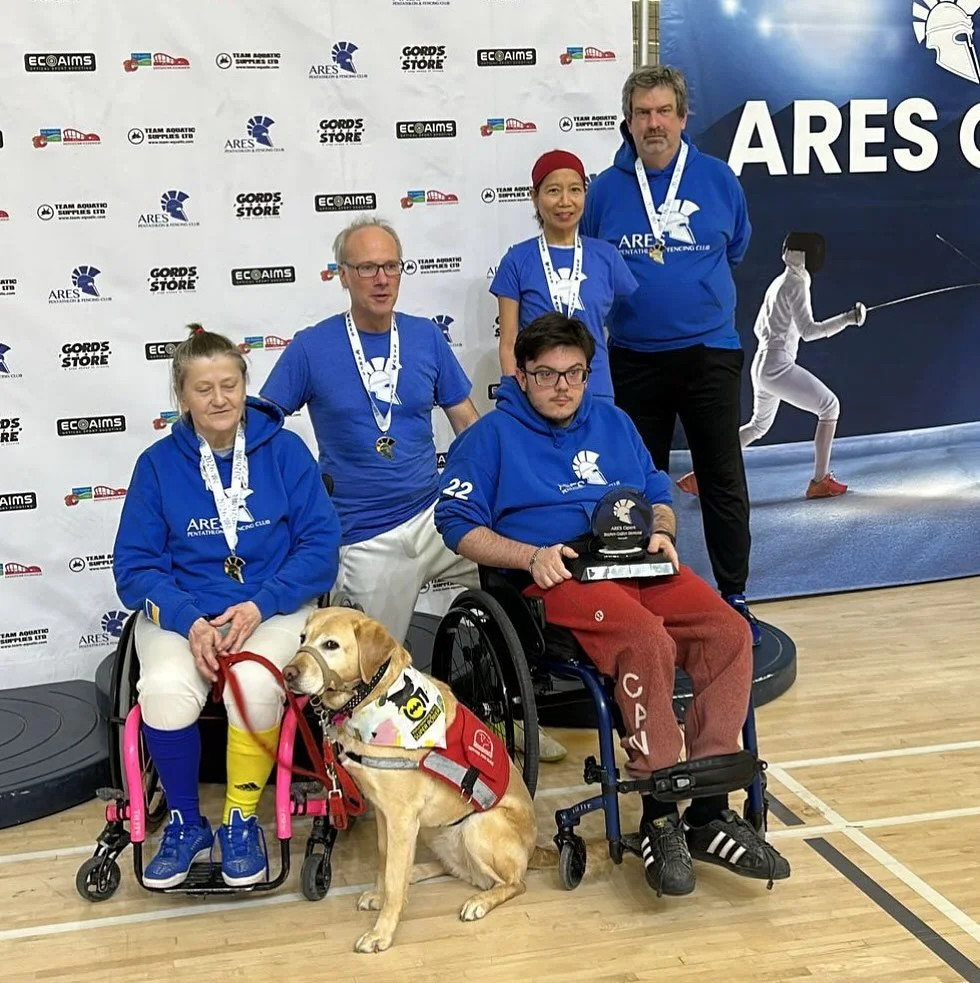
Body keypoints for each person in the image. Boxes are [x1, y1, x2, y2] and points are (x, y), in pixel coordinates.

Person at [434, 313, 789, 897]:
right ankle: (658, 813)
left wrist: (665, 531)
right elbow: (456, 524)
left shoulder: (614, 422)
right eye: (546, 374)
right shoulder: (490, 438)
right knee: (646, 638)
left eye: (574, 373)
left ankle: (707, 811)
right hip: (560, 575)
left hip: (636, 562)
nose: (562, 386)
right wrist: (528, 557)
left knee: (727, 631)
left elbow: (656, 493)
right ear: (521, 376)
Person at [113, 325, 341, 888]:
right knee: (163, 696)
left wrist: (260, 605)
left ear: (246, 387)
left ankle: (241, 820)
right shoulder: (156, 466)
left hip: (271, 608)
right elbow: (135, 567)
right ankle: (187, 824)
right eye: (203, 389)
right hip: (183, 615)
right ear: (182, 397)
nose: (219, 400)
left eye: (229, 385)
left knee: (258, 686)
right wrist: (189, 620)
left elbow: (320, 549)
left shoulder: (285, 452)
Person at [580, 65, 761, 645]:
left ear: (683, 119)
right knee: (636, 485)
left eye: (663, 112)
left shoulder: (717, 180)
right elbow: (588, 261)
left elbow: (734, 247)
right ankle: (647, 599)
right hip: (632, 357)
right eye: (642, 114)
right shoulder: (605, 190)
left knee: (721, 477)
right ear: (627, 123)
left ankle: (735, 596)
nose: (653, 124)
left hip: (709, 352)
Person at [491, 149, 637, 398]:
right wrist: (516, 393)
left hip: (595, 389)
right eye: (553, 190)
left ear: (585, 194)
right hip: (540, 392)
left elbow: (627, 321)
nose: (565, 201)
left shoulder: (606, 256)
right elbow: (508, 343)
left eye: (575, 189)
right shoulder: (517, 260)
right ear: (534, 196)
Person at [739, 232, 866, 499]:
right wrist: (848, 319)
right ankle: (820, 481)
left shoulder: (779, 282)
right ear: (806, 255)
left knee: (758, 426)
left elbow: (758, 326)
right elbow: (809, 331)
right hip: (777, 366)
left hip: (760, 365)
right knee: (830, 406)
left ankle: (705, 470)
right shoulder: (795, 283)